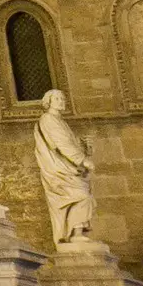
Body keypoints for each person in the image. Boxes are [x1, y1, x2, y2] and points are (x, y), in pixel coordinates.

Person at [33, 89, 96, 245]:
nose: (61, 101)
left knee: (82, 196)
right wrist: (82, 159)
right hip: (58, 170)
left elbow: (69, 144)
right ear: (48, 102)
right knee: (80, 196)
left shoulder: (60, 121)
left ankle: (76, 233)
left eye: (62, 98)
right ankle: (75, 234)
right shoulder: (48, 119)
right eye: (57, 99)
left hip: (68, 169)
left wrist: (84, 146)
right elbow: (61, 144)